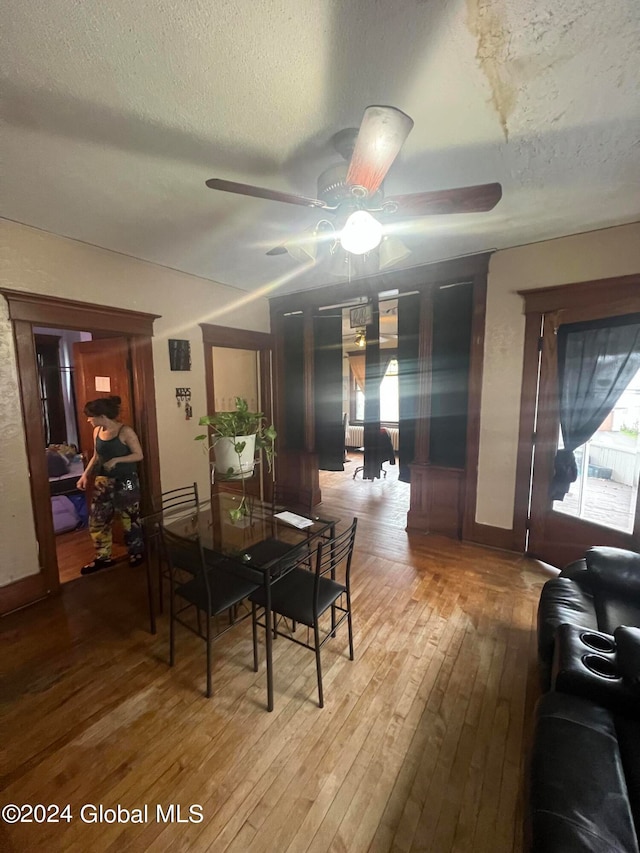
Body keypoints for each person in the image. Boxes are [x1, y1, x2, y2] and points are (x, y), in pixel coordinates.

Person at [76, 395, 144, 574]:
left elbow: (139, 455)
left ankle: (136, 552)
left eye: (91, 416)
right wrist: (85, 475)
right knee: (98, 519)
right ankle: (102, 557)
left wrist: (117, 460)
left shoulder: (125, 432)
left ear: (102, 416)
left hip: (128, 481)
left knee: (130, 517)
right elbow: (96, 456)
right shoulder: (97, 431)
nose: (89, 420)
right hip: (103, 481)